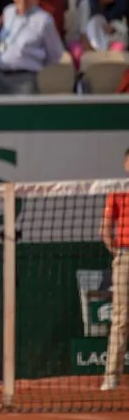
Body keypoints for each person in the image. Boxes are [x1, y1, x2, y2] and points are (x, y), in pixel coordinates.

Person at [101, 147, 129, 392]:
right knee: (121, 318)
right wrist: (119, 255)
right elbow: (106, 228)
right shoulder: (117, 191)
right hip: (125, 257)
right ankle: (111, 377)